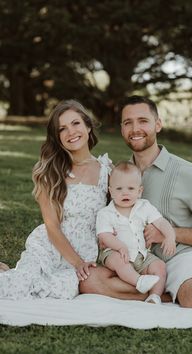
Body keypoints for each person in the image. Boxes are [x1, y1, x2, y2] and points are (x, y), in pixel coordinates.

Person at [80, 95, 192, 309]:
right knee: (89, 281)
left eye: (143, 121)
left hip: (181, 256)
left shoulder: (188, 174)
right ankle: (164, 293)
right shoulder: (118, 175)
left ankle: (178, 290)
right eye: (128, 123)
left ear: (158, 124)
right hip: (136, 260)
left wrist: (170, 233)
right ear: (122, 129)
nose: (135, 129)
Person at [0, 99, 112, 299]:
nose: (71, 132)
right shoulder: (50, 172)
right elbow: (52, 227)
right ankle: (11, 277)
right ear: (57, 137)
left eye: (76, 123)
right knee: (16, 289)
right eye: (62, 129)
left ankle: (7, 273)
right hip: (50, 246)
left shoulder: (107, 172)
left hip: (84, 249)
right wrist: (77, 263)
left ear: (87, 126)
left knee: (62, 291)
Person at [96, 161, 176, 304]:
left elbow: (161, 222)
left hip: (141, 255)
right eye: (119, 188)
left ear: (139, 191)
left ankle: (155, 296)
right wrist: (120, 247)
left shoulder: (144, 207)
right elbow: (104, 235)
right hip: (115, 252)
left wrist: (169, 236)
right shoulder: (106, 213)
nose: (125, 192)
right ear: (111, 191)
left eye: (131, 188)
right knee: (119, 261)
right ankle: (139, 281)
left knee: (160, 266)